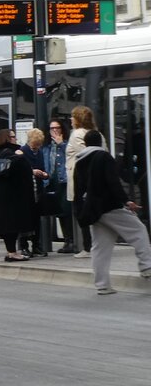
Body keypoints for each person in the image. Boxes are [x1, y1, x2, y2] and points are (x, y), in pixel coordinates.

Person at [73, 129, 151, 294]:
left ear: (85, 143)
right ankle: (147, 267)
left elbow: (78, 190)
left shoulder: (79, 161)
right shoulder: (104, 157)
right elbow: (113, 182)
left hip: (94, 211)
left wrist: (81, 212)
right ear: (101, 142)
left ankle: (102, 285)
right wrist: (126, 201)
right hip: (110, 206)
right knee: (139, 231)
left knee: (101, 248)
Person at [0, 129, 38, 263]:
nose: (15, 138)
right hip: (13, 196)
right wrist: (20, 157)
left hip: (3, 197)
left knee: (7, 225)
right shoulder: (12, 154)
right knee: (12, 225)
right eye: (12, 136)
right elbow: (21, 170)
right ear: (7, 138)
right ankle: (12, 253)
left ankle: (11, 251)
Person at [66, 105, 101, 258]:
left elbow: (86, 154)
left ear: (78, 119)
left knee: (81, 214)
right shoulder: (96, 132)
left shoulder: (77, 134)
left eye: (72, 117)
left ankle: (88, 248)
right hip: (92, 180)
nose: (70, 120)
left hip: (79, 180)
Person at [19, 127, 49, 257]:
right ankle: (23, 246)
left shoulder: (40, 152)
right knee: (25, 219)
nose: (37, 148)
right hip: (26, 190)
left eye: (38, 146)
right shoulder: (22, 151)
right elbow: (19, 170)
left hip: (38, 188)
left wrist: (44, 174)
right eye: (35, 145)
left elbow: (42, 167)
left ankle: (36, 244)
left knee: (37, 218)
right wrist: (32, 171)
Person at [47, 119, 73, 252]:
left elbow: (71, 155)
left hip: (65, 180)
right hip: (54, 181)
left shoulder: (67, 143)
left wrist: (61, 144)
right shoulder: (49, 145)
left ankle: (71, 240)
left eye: (57, 127)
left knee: (67, 210)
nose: (55, 130)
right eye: (52, 128)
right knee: (59, 212)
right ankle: (67, 240)